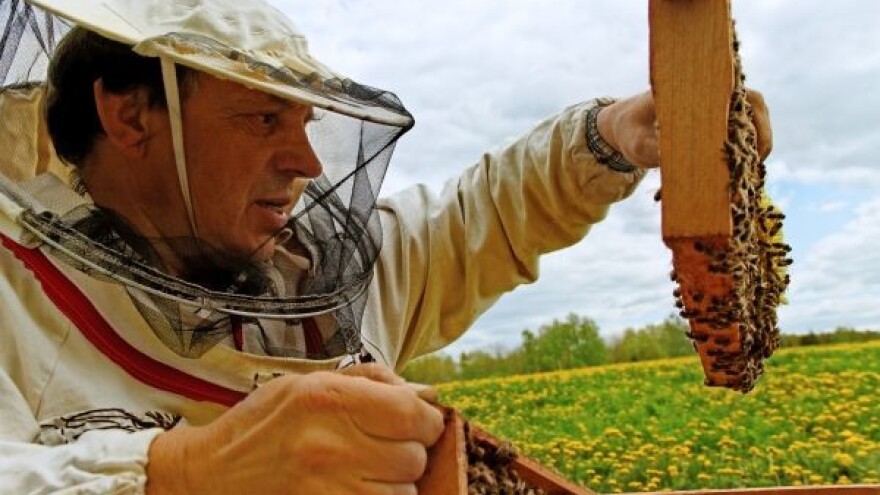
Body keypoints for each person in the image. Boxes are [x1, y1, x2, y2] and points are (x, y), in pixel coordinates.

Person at [0, 0, 771, 493]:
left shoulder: (316, 267)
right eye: (265, 119)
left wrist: (614, 137)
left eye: (308, 125)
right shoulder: (15, 290)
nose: (307, 163)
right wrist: (185, 471)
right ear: (132, 117)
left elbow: (479, 217)